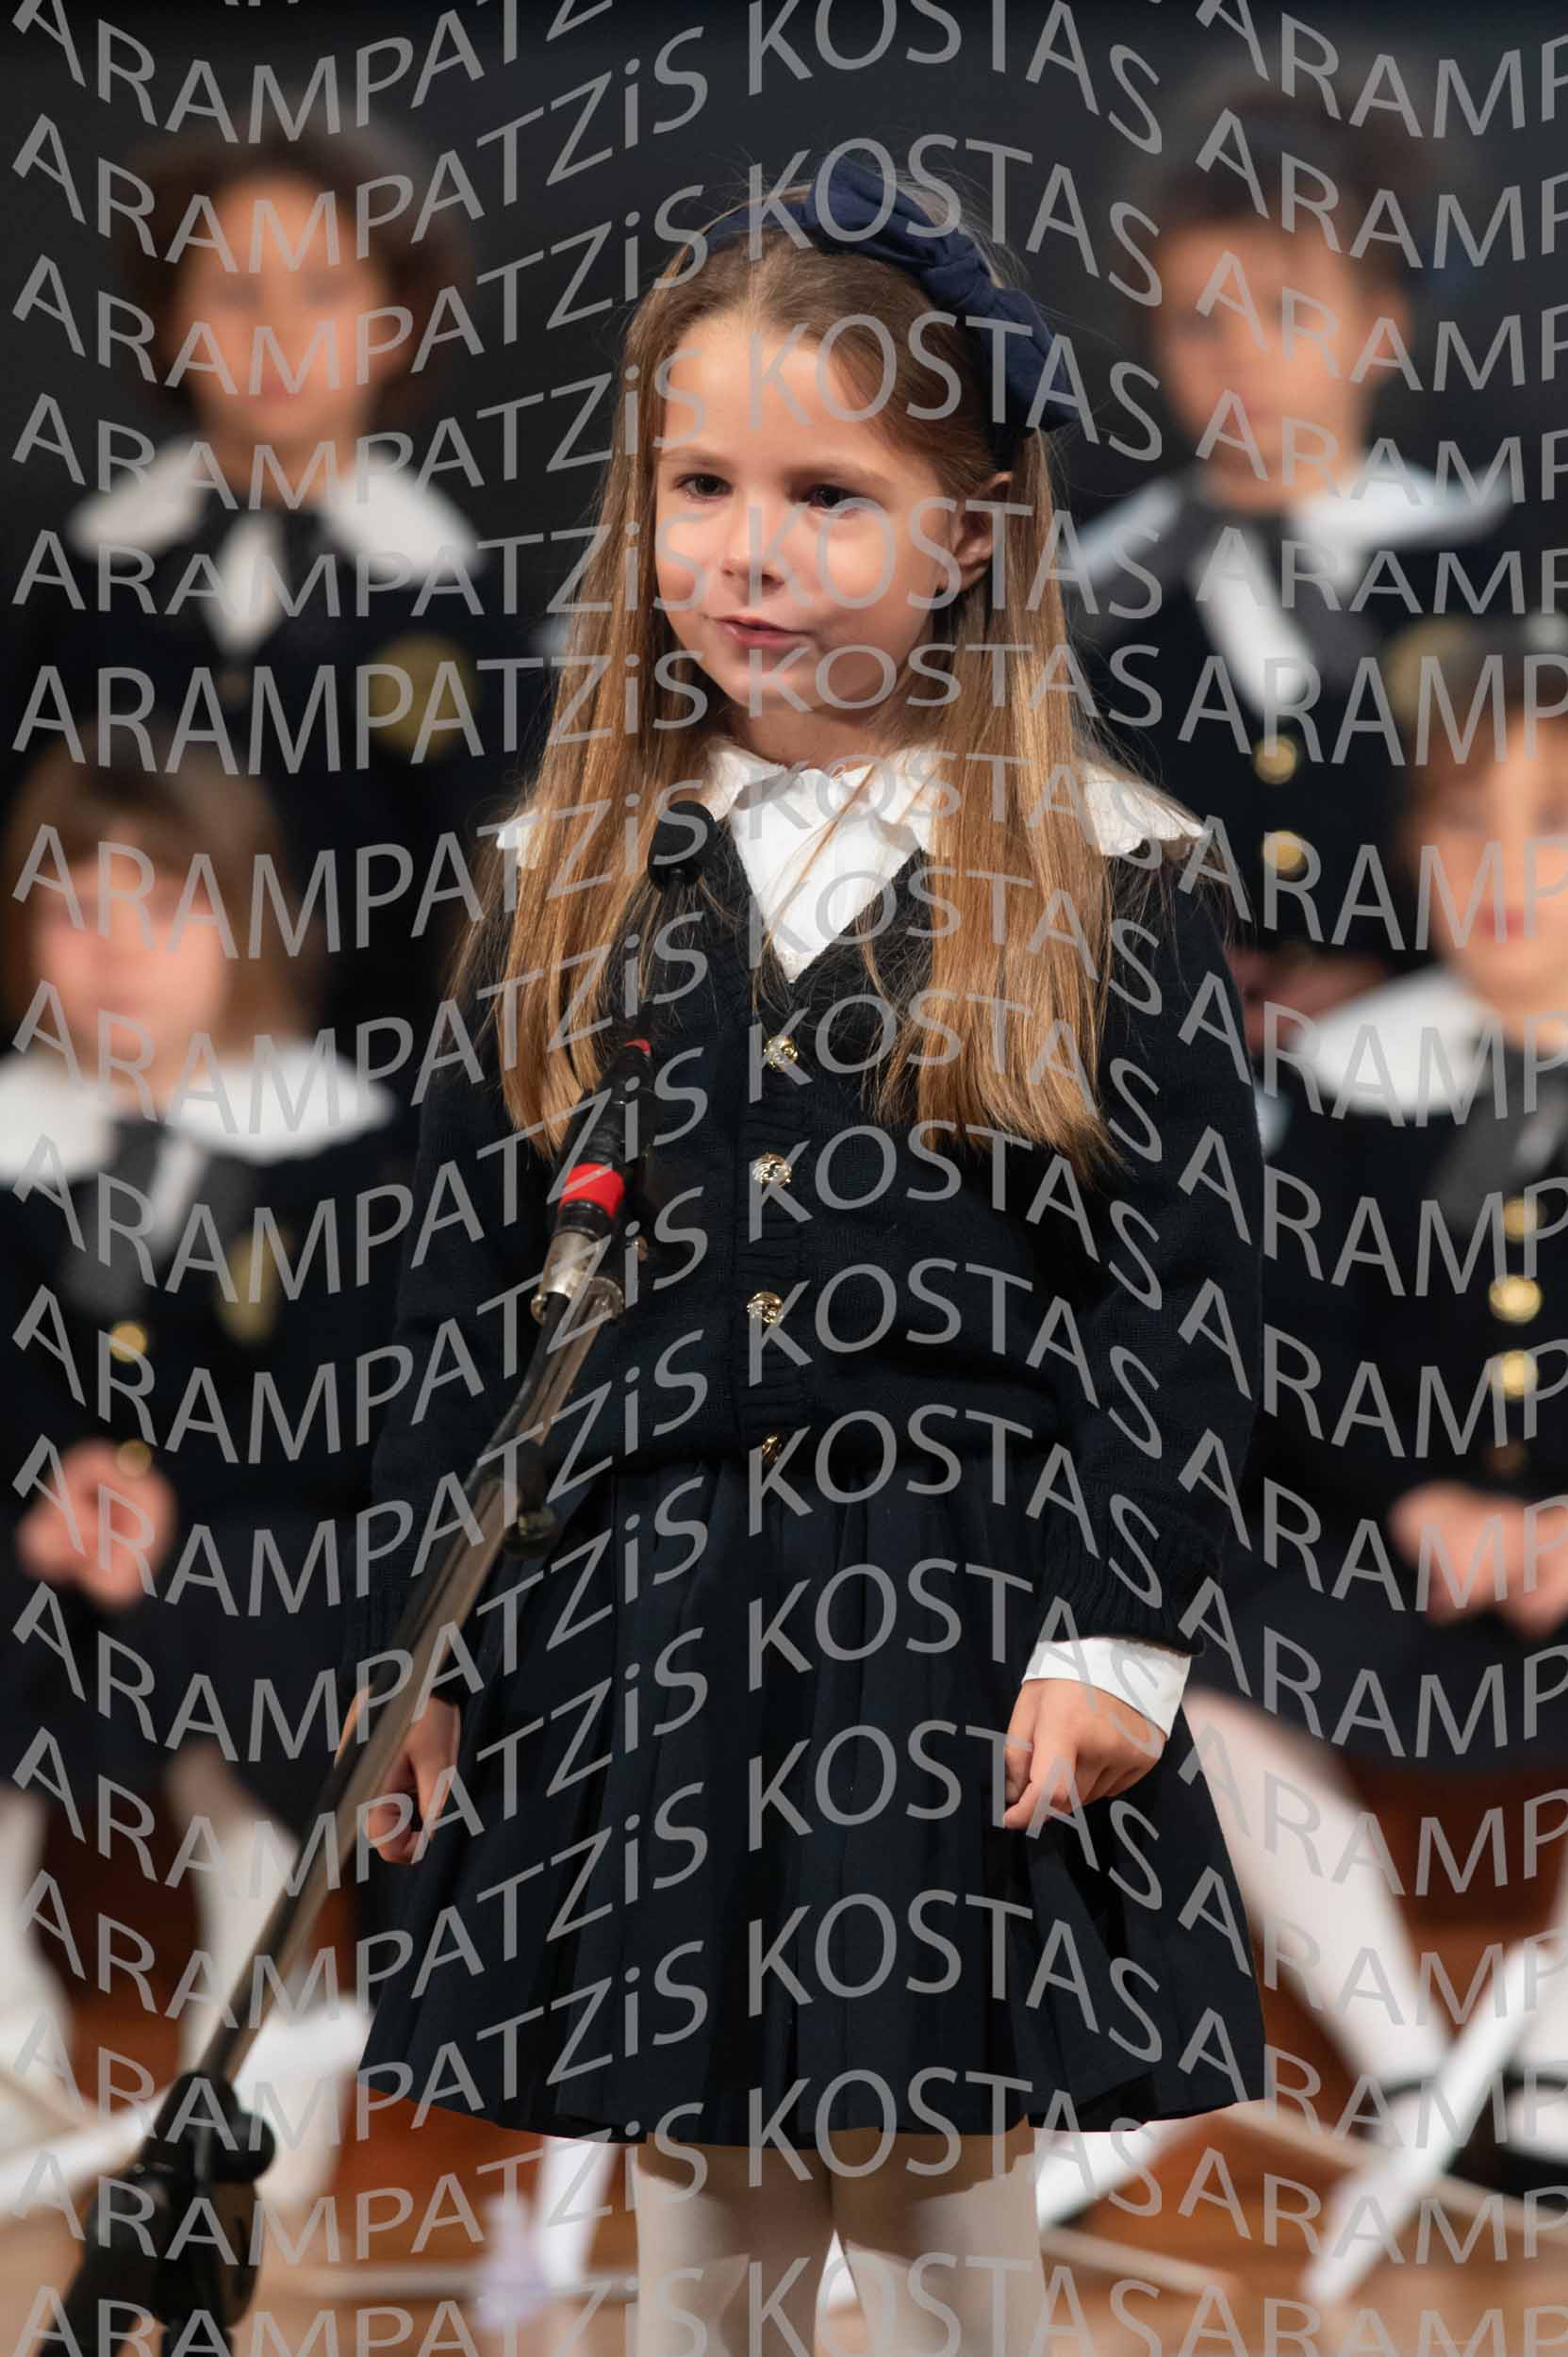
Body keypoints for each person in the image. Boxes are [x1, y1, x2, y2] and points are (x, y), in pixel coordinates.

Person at [337, 154, 1267, 2353]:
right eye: (700, 486)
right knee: (706, 2195)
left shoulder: (1108, 876)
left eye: (829, 496)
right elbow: (449, 1301)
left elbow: (1182, 1305)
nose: (744, 553)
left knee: (934, 2185)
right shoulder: (565, 872)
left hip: (955, 1615)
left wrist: (1113, 1637)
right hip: (643, 1607)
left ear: (973, 533)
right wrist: (417, 1645)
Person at [1183, 611, 1568, 2200]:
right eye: (1459, 828)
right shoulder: (1350, 1075)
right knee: (1185, 1652)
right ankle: (1409, 2074)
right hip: (1409, 1571)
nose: (1497, 871)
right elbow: (1283, 1351)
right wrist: (1416, 1497)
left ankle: (1548, 2070)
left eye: (1548, 829)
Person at [0, 729, 411, 2205]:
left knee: (268, 1638)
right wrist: (52, 1489)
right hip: (45, 1544)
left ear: (247, 924)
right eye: (75, 910)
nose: (115, 951)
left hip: (252, 1542)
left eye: (163, 908)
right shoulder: (17, 1140)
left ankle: (251, 2075)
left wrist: (181, 1494)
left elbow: (356, 1399)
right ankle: (18, 2086)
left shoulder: (337, 1147)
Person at [8, 108, 552, 1070]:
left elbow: (485, 922)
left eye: (325, 290)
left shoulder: (455, 604)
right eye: (235, 293)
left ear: (397, 325)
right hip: (94, 1079)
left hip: (364, 1093)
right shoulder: (81, 577)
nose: (279, 335)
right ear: (168, 322)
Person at [1070, 79, 1515, 1059]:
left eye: (1285, 310)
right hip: (1162, 1069)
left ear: (1381, 324)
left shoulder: (1484, 565)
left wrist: (1398, 969)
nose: (1241, 357)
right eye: (1199, 321)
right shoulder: (1095, 588)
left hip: (1429, 1065)